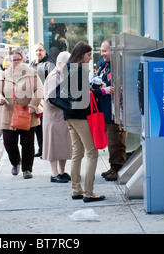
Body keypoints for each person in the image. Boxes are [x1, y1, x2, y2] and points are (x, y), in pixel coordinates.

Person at [63, 41, 105, 202]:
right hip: (80, 115)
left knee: (77, 154)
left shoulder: (68, 68)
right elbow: (82, 95)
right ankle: (88, 192)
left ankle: (76, 190)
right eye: (88, 55)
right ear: (81, 55)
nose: (90, 58)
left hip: (69, 115)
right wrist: (102, 91)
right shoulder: (79, 69)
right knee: (92, 152)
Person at [0, 50, 43, 179]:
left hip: (28, 113)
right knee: (9, 142)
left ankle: (27, 169)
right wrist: (0, 98)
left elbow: (40, 89)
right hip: (9, 114)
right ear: (9, 61)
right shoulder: (4, 75)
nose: (15, 62)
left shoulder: (31, 73)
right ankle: (15, 163)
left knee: (27, 143)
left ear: (22, 60)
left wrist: (33, 104)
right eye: (13, 60)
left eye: (18, 59)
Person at [95, 39, 127, 181]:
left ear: (112, 51)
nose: (102, 54)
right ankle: (113, 166)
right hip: (107, 110)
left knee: (116, 140)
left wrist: (104, 86)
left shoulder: (119, 65)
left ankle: (118, 168)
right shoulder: (106, 65)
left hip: (116, 111)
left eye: (104, 51)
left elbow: (116, 85)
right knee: (112, 140)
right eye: (101, 51)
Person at [43, 51, 72, 183]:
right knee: (53, 146)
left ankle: (61, 171)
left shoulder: (63, 75)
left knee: (63, 146)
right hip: (54, 118)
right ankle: (54, 174)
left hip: (61, 117)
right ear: (59, 63)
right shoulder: (53, 77)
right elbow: (50, 98)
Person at [29, 43, 55, 158]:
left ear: (45, 51)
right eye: (36, 51)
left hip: (45, 100)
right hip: (35, 101)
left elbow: (53, 82)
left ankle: (47, 150)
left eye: (40, 50)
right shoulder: (32, 63)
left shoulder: (49, 64)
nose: (38, 53)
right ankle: (41, 148)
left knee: (46, 126)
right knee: (38, 126)